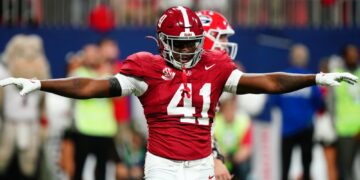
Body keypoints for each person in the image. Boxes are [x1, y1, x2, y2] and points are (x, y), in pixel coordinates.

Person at [0, 6, 357, 180]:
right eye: (180, 44)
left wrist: (316, 78)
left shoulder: (215, 64)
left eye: (192, 43)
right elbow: (92, 86)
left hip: (200, 161)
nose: (187, 51)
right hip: (164, 165)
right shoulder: (147, 67)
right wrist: (40, 83)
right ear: (161, 43)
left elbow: (270, 81)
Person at [270, 44, 324, 180]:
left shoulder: (282, 78)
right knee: (306, 166)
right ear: (306, 59)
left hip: (287, 128)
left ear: (291, 58)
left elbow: (274, 102)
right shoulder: (311, 79)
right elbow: (319, 103)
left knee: (285, 167)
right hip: (306, 127)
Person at [196, 10, 237, 180]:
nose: (226, 43)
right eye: (221, 37)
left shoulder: (207, 74)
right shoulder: (195, 77)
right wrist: (214, 159)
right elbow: (194, 129)